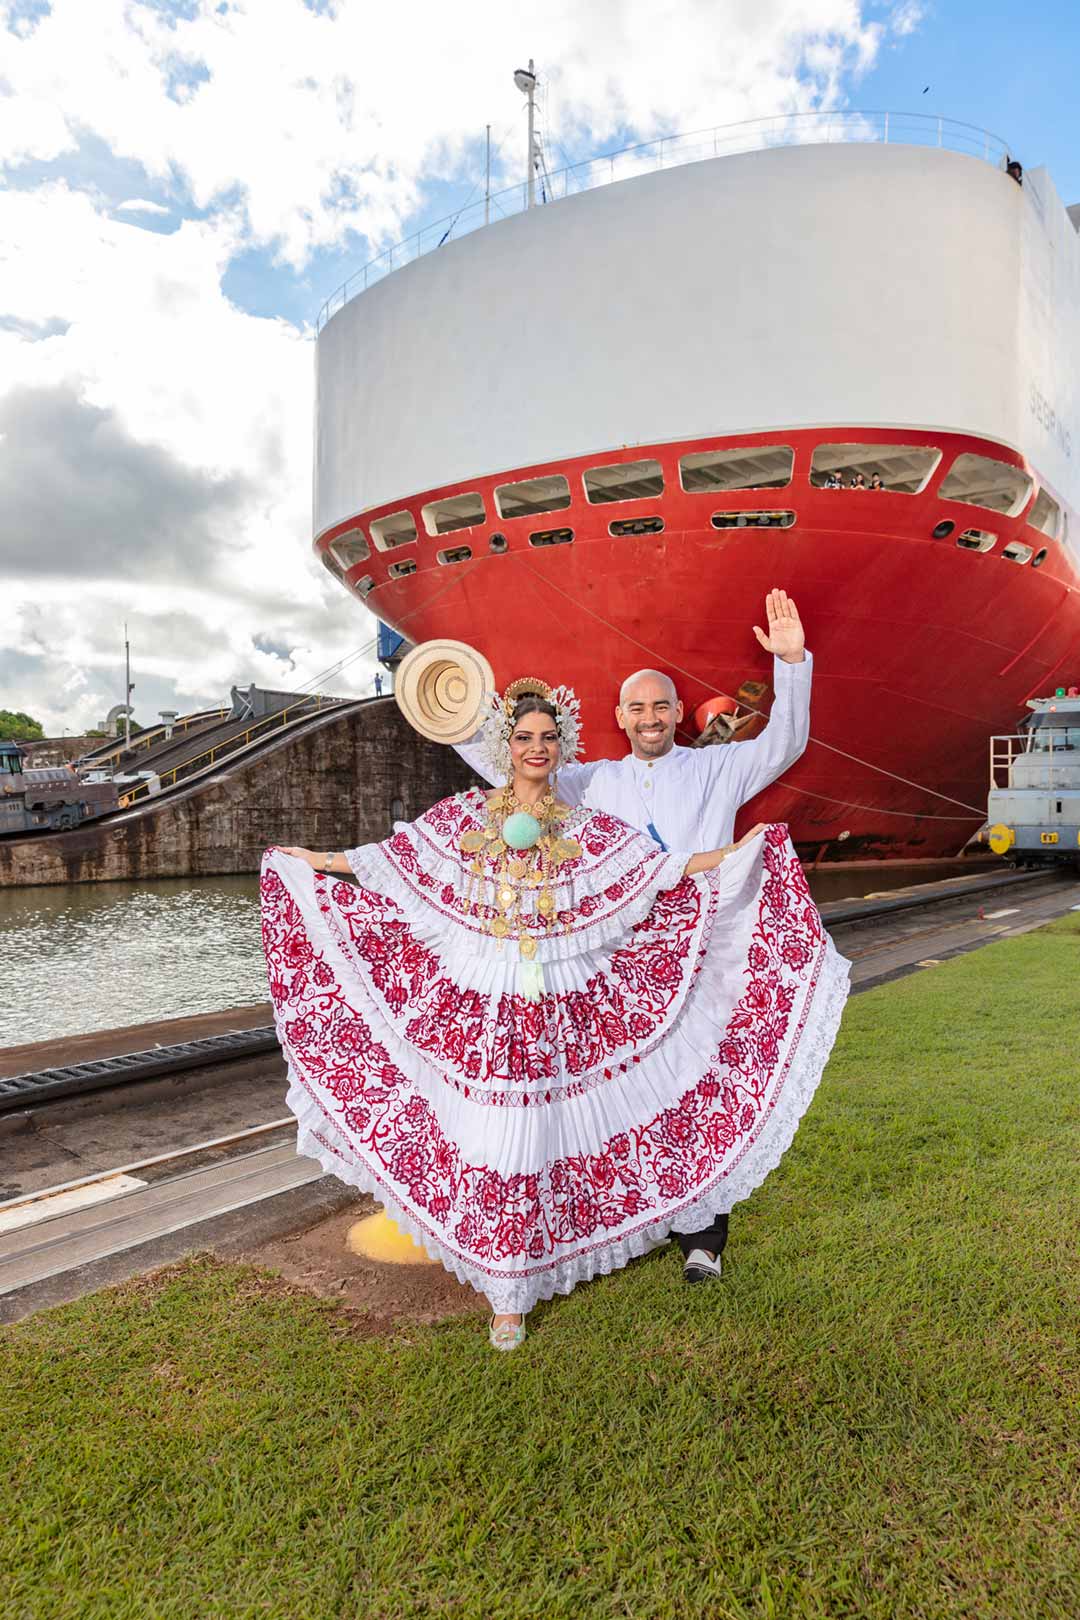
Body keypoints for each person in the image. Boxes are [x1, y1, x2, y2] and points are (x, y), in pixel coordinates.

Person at [263, 665, 847, 1350]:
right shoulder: (465, 815)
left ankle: (589, 1252)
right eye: (525, 738)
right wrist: (317, 860)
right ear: (507, 748)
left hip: (559, 999)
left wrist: (738, 852)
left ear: (560, 748)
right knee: (496, 1135)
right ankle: (506, 1293)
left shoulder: (586, 823)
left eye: (547, 738)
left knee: (552, 1130)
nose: (536, 749)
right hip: (489, 1001)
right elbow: (397, 860)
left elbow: (656, 871)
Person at [453, 589, 812, 1284]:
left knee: (695, 1095)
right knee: (630, 1099)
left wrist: (793, 662)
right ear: (620, 719)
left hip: (701, 959)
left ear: (679, 714)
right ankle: (641, 1217)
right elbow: (515, 770)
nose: (649, 718)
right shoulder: (593, 782)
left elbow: (787, 742)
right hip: (619, 969)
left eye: (660, 706)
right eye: (637, 708)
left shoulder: (719, 767)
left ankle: (703, 1239)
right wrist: (458, 715)